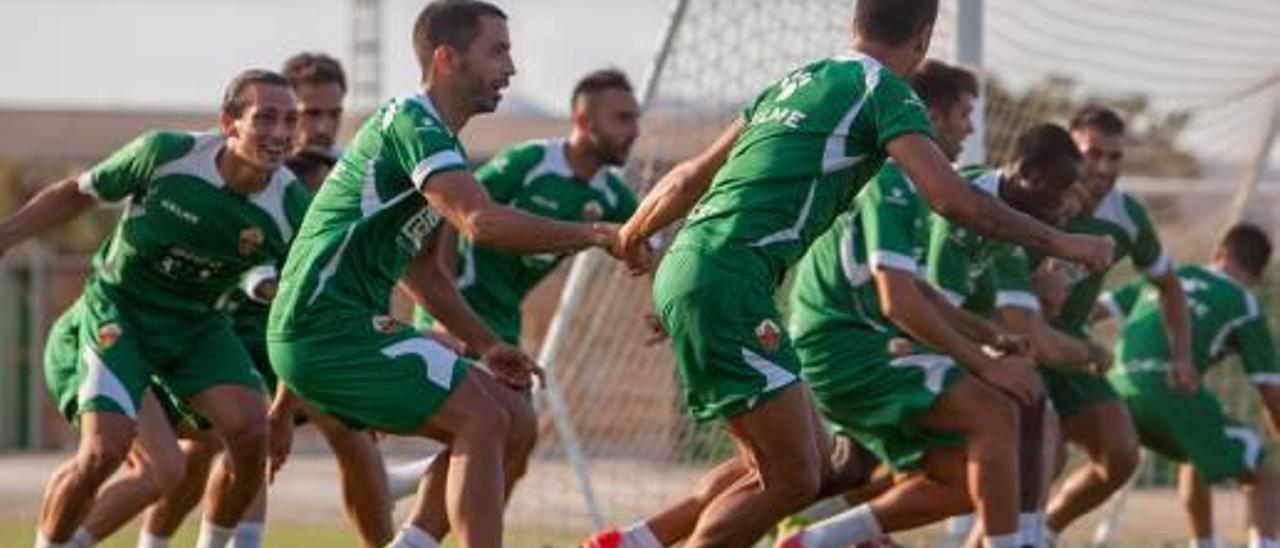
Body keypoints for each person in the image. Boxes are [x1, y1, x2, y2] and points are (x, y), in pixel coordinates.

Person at [598, 0, 1112, 544]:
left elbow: (688, 177)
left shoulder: (797, 80)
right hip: (741, 285)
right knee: (793, 477)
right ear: (924, 36)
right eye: (962, 116)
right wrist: (1066, 242)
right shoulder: (885, 93)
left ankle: (638, 541)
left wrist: (633, 234)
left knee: (810, 463)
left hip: (696, 265)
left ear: (855, 23)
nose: (965, 130)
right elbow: (952, 200)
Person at [264, 2, 632, 547]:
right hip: (323, 331)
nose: (510, 68)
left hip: (343, 329)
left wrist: (484, 344)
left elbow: (424, 271)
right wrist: (597, 234)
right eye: (497, 51)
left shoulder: (442, 146)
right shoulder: (412, 122)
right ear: (446, 58)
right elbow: (479, 221)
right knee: (482, 419)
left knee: (513, 416)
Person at [0, 69, 307, 548]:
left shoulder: (291, 206)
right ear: (229, 121)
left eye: (291, 120)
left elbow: (297, 311)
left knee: (250, 432)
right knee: (105, 453)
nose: (281, 133)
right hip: (119, 312)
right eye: (266, 118)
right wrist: (8, 235)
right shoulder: (167, 155)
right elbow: (76, 195)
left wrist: (285, 408)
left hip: (196, 324)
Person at [779, 123, 1105, 548]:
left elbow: (958, 308)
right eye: (1065, 189)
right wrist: (1080, 351)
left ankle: (813, 540)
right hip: (866, 352)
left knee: (969, 468)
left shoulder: (1004, 230)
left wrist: (993, 332)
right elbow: (913, 307)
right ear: (1031, 175)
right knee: (1002, 411)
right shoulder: (953, 210)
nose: (1071, 204)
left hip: (901, 350)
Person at [1041, 106, 1193, 541]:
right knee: (1040, 461)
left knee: (1120, 453)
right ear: (1069, 148)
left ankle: (1046, 531)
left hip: (1069, 348)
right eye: (1093, 154)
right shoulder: (1032, 194)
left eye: (1114, 157)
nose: (1104, 167)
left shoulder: (1126, 215)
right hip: (1012, 341)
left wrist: (1181, 356)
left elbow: (1170, 287)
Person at [1096, 223, 1279, 548]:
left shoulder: (1171, 275)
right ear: (1258, 273)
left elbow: (1097, 308)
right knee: (1261, 470)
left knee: (1188, 450)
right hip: (1169, 390)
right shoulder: (1244, 304)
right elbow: (1271, 392)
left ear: (1219, 253)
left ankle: (1044, 528)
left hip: (1114, 390)